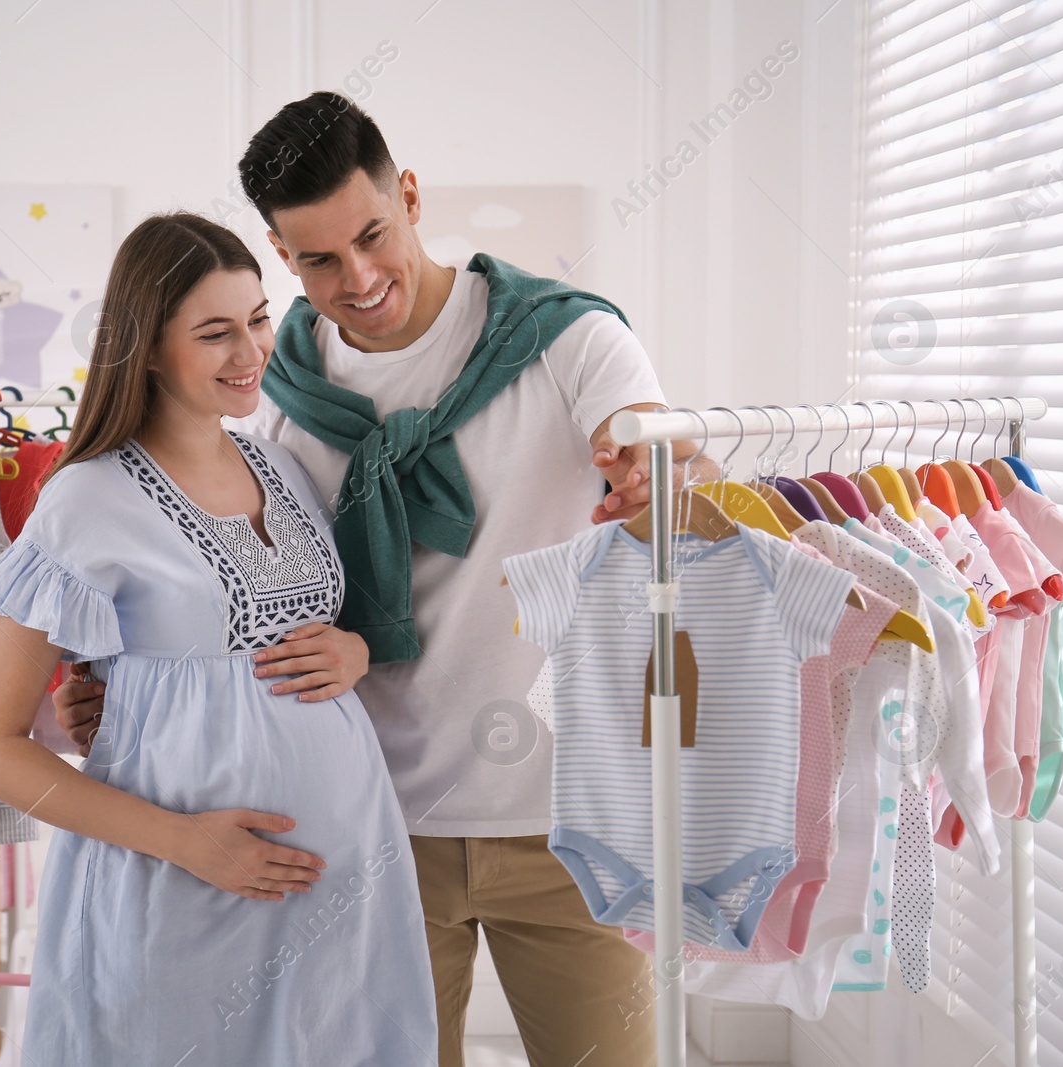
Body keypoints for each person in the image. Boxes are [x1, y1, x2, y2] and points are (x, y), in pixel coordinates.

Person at [57, 93, 715, 1067]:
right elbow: (239, 596)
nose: (358, 278)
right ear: (282, 255)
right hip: (365, 828)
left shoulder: (567, 340)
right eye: (319, 258)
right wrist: (122, 688)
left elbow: (661, 452)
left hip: (570, 823)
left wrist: (660, 472)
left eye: (372, 234)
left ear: (407, 195)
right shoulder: (273, 402)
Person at [0, 211, 439, 1064]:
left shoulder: (282, 466)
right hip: (180, 891)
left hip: (343, 887)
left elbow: (313, 635)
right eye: (215, 333)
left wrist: (355, 651)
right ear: (144, 348)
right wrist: (187, 842)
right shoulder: (86, 500)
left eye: (257, 320)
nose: (250, 352)